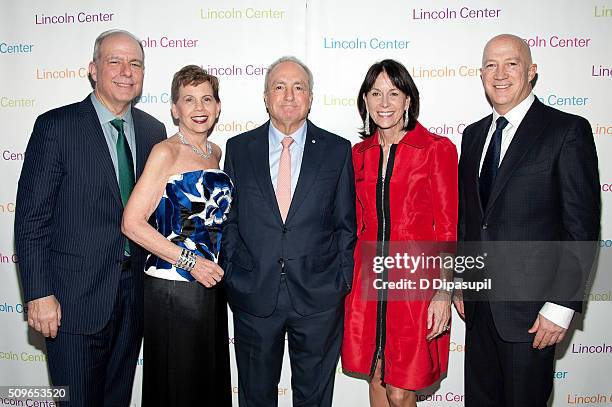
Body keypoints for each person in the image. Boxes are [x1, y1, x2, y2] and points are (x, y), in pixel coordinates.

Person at [14, 29, 167, 406]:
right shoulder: (56, 127)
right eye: (114, 61)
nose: (126, 71)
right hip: (71, 301)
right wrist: (38, 294)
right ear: (93, 70)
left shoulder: (153, 132)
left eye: (135, 63)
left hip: (134, 300)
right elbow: (31, 220)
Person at [457, 34, 600, 407]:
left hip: (533, 315)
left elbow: (581, 228)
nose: (500, 74)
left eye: (512, 64)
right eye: (491, 65)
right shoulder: (472, 136)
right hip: (478, 308)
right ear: (481, 74)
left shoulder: (566, 131)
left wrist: (561, 305)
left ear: (532, 71)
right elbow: (471, 222)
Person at [221, 56, 356, 407]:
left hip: (319, 297)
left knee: (314, 398)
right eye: (279, 87)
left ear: (311, 98)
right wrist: (234, 275)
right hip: (253, 294)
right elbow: (230, 220)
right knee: (255, 396)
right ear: (265, 97)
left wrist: (340, 279)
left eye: (299, 87)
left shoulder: (337, 150)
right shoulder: (238, 149)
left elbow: (345, 224)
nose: (289, 95)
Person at [342, 59, 458, 407]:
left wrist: (444, 292)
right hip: (367, 279)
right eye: (375, 93)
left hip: (415, 283)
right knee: (375, 374)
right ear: (365, 100)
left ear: (408, 99)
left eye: (394, 93)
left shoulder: (436, 149)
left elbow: (448, 227)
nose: (384, 103)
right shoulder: (356, 155)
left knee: (401, 387)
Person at [121, 65, 232, 405]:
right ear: (174, 109)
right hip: (172, 287)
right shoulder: (164, 152)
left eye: (206, 99)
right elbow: (132, 223)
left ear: (217, 107)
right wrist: (190, 261)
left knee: (205, 384)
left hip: (208, 286)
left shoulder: (214, 152)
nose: (199, 108)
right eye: (189, 100)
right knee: (178, 387)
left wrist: (203, 268)